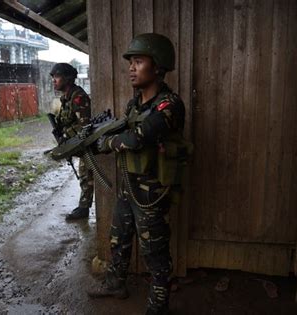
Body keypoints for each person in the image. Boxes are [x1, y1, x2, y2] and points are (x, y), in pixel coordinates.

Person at [87, 33, 190, 315]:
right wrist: (93, 140)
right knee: (118, 238)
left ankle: (158, 306)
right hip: (129, 186)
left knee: (154, 252)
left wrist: (105, 142)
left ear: (157, 67)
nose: (131, 67)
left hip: (152, 192)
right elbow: (122, 132)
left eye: (139, 61)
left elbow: (136, 138)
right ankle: (115, 283)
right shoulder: (134, 105)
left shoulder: (170, 105)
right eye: (131, 62)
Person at [50, 63, 94, 220]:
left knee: (85, 175)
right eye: (53, 77)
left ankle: (84, 209)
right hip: (76, 142)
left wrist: (69, 139)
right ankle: (83, 207)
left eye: (57, 77)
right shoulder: (67, 98)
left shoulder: (78, 97)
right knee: (84, 175)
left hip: (85, 143)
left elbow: (85, 127)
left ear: (67, 79)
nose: (54, 81)